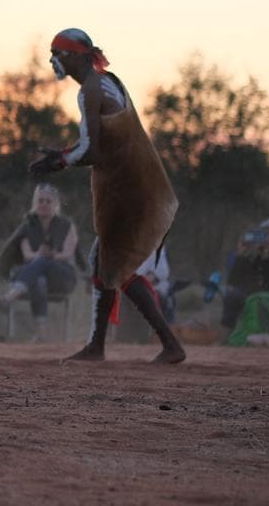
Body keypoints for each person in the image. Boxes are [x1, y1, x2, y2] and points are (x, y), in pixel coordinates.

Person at [31, 28, 185, 363]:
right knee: (104, 262)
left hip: (126, 190)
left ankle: (167, 345)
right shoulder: (109, 80)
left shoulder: (89, 90)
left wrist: (56, 161)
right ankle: (99, 346)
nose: (52, 60)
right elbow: (98, 146)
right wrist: (63, 153)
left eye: (57, 53)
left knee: (115, 265)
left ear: (74, 55)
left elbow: (90, 149)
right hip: (134, 185)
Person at [0, 183, 80, 341]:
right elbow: (27, 255)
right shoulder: (28, 225)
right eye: (40, 200)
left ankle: (11, 294)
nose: (44, 204)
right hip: (33, 275)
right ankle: (42, 335)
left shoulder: (67, 225)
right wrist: (41, 254)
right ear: (35, 203)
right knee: (39, 280)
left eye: (48, 201)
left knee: (44, 261)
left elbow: (67, 253)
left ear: (55, 204)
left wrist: (50, 255)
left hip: (61, 276)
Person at [221, 219, 269, 345]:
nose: (265, 238)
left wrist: (267, 258)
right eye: (263, 234)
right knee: (232, 296)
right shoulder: (253, 257)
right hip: (252, 294)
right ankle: (227, 335)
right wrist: (241, 256)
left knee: (259, 300)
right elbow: (234, 280)